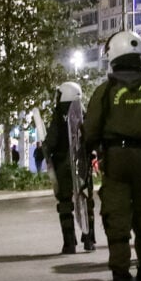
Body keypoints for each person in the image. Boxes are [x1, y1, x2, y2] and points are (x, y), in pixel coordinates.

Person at [84, 30, 141, 281]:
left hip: (116, 159)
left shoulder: (105, 91)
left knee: (117, 223)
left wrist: (90, 154)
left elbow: (90, 131)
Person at [45, 81, 92, 255]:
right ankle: (89, 239)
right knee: (86, 200)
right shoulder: (83, 114)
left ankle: (69, 242)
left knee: (65, 203)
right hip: (82, 162)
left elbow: (52, 140)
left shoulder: (59, 114)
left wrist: (45, 150)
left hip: (63, 163)